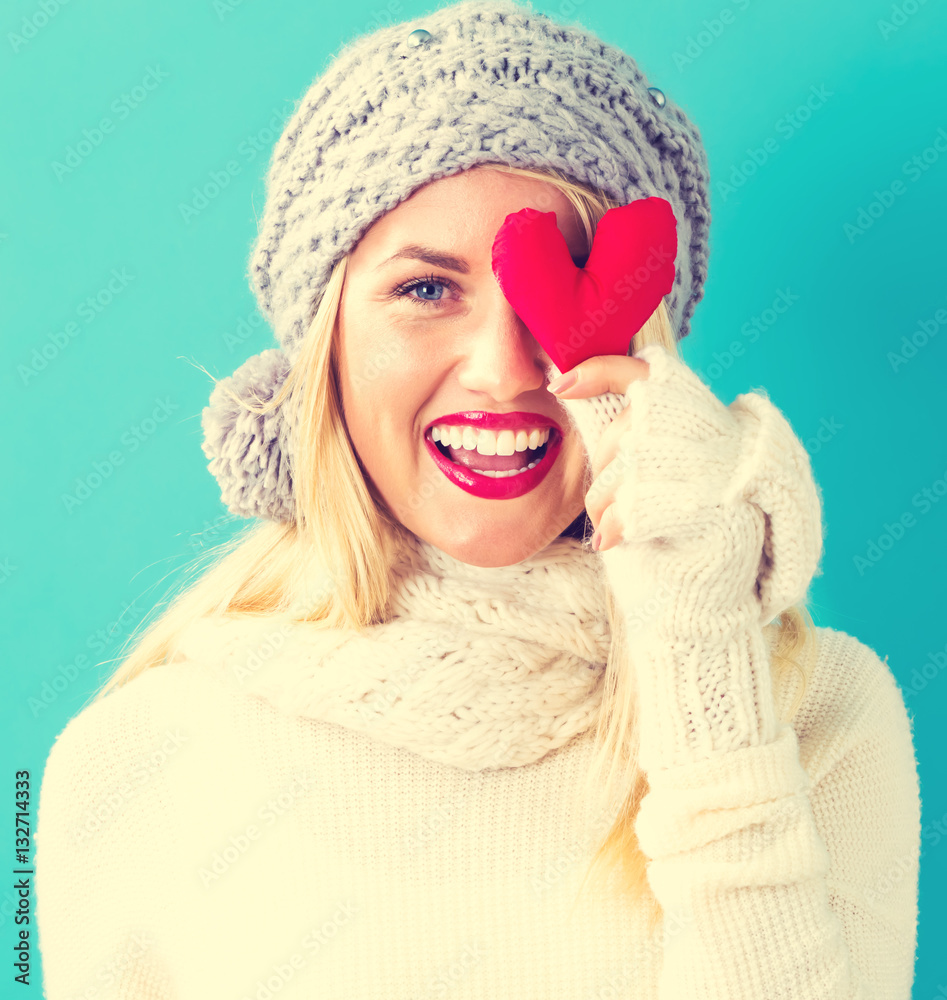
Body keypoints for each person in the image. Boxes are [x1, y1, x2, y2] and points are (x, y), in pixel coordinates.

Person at [35, 0, 921, 996]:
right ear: (327, 346)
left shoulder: (821, 714)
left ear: (646, 343)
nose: (503, 373)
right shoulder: (132, 765)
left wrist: (700, 650)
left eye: (559, 287)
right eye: (425, 290)